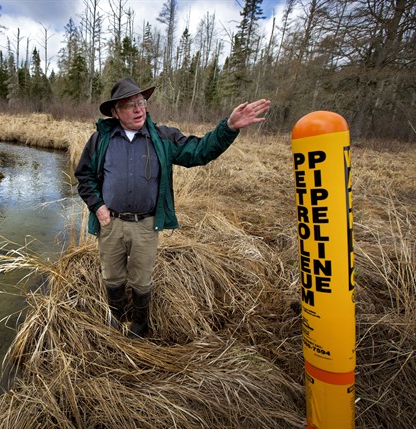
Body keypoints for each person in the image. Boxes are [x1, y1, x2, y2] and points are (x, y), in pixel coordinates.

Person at [74, 77, 271, 339]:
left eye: (141, 102)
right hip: (110, 223)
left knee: (142, 280)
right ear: (115, 112)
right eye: (129, 105)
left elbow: (199, 152)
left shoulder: (163, 137)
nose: (138, 109)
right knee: (112, 276)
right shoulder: (100, 140)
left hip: (145, 224)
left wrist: (229, 127)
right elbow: (84, 176)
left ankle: (140, 326)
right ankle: (115, 318)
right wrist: (97, 206)